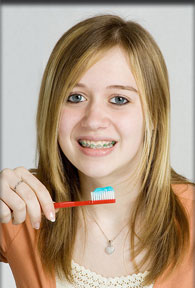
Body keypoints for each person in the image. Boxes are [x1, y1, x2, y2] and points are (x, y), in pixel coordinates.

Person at [0, 14, 194, 288]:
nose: (93, 120)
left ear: (155, 116)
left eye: (119, 99)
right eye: (75, 97)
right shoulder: (22, 210)